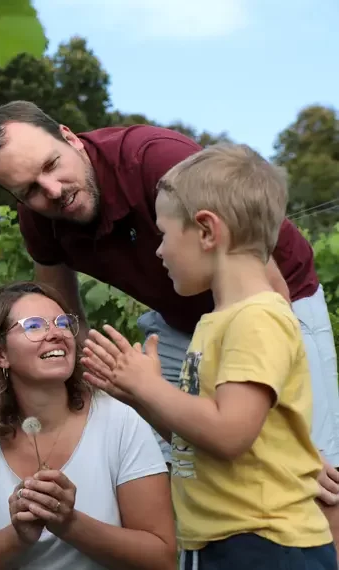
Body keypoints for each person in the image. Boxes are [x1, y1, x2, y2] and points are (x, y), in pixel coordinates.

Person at [0, 100, 339, 537]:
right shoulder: (40, 217)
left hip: (278, 296)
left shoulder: (156, 162)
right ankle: (204, 549)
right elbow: (63, 313)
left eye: (52, 164)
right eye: (29, 189)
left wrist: (290, 440)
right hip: (181, 321)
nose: (51, 190)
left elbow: (265, 287)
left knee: (317, 477)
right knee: (183, 455)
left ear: (70, 137)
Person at [80, 143, 337, 569]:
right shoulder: (218, 321)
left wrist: (150, 386)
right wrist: (141, 397)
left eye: (163, 234)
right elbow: (198, 432)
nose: (158, 251)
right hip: (227, 541)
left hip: (263, 544)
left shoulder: (257, 319)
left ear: (206, 231)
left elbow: (230, 434)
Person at [0, 281, 177, 570]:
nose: (55, 333)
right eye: (34, 326)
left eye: (62, 323)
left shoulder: (120, 420)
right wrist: (17, 537)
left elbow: (161, 558)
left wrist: (70, 524)